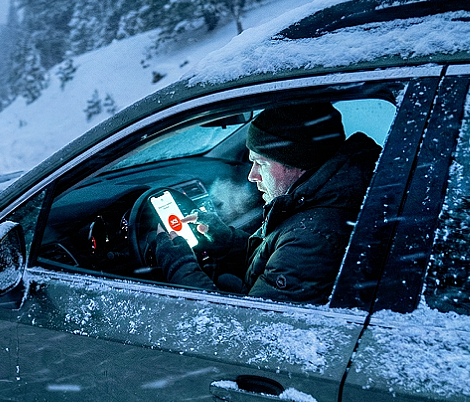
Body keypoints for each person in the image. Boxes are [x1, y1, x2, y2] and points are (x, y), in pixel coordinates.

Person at [151, 102, 382, 304]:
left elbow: (242, 332)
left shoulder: (313, 238)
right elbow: (276, 259)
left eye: (260, 163)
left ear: (296, 163)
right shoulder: (314, 207)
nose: (252, 176)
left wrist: (178, 264)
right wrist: (226, 241)